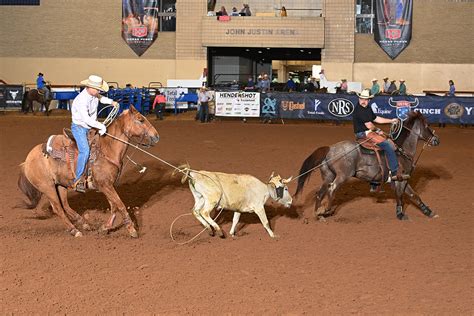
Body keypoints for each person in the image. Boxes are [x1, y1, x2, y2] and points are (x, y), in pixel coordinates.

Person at [71, 75, 116, 192]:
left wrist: (112, 102)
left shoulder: (94, 94)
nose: (98, 91)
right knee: (85, 151)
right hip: (79, 127)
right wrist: (100, 125)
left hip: (90, 126)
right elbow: (86, 119)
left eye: (99, 89)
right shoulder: (81, 100)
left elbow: (101, 98)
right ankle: (78, 179)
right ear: (89, 87)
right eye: (96, 89)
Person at [353, 89, 409, 182]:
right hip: (363, 133)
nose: (363, 101)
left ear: (369, 100)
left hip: (367, 132)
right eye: (362, 99)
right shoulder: (360, 110)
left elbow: (376, 118)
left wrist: (391, 120)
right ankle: (394, 172)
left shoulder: (367, 108)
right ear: (359, 99)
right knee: (387, 145)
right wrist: (378, 131)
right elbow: (370, 125)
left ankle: (375, 181)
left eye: (365, 99)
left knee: (388, 141)